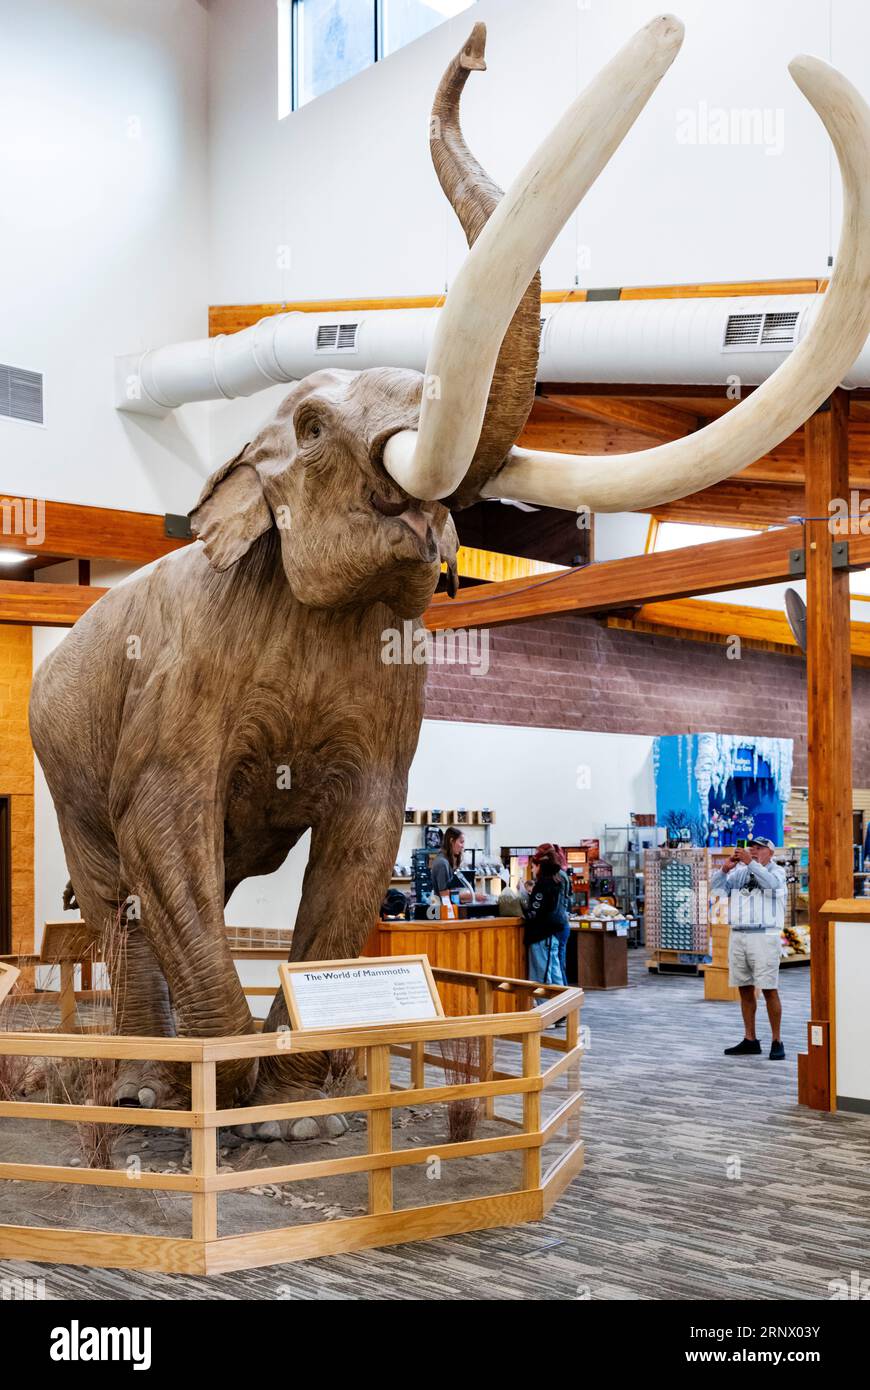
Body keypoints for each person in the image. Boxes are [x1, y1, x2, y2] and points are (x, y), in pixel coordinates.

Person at [711, 836, 787, 1060]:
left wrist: (750, 863)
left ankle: (777, 1040)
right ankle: (750, 1038)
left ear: (771, 853)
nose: (753, 851)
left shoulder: (778, 871)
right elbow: (717, 892)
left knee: (769, 988)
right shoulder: (740, 873)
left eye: (759, 848)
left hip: (764, 934)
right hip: (739, 933)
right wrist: (724, 870)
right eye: (751, 847)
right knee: (744, 988)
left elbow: (771, 885)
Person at [522, 843, 571, 987]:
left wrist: (525, 911)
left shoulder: (543, 884)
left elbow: (535, 912)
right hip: (552, 933)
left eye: (533, 866)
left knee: (542, 979)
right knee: (555, 974)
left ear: (539, 866)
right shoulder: (558, 879)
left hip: (542, 936)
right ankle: (562, 1001)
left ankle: (546, 1003)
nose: (531, 870)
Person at [430, 827, 474, 901]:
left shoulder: (447, 861)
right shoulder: (442, 863)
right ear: (451, 841)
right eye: (461, 842)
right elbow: (444, 895)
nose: (463, 846)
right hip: (443, 907)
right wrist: (472, 896)